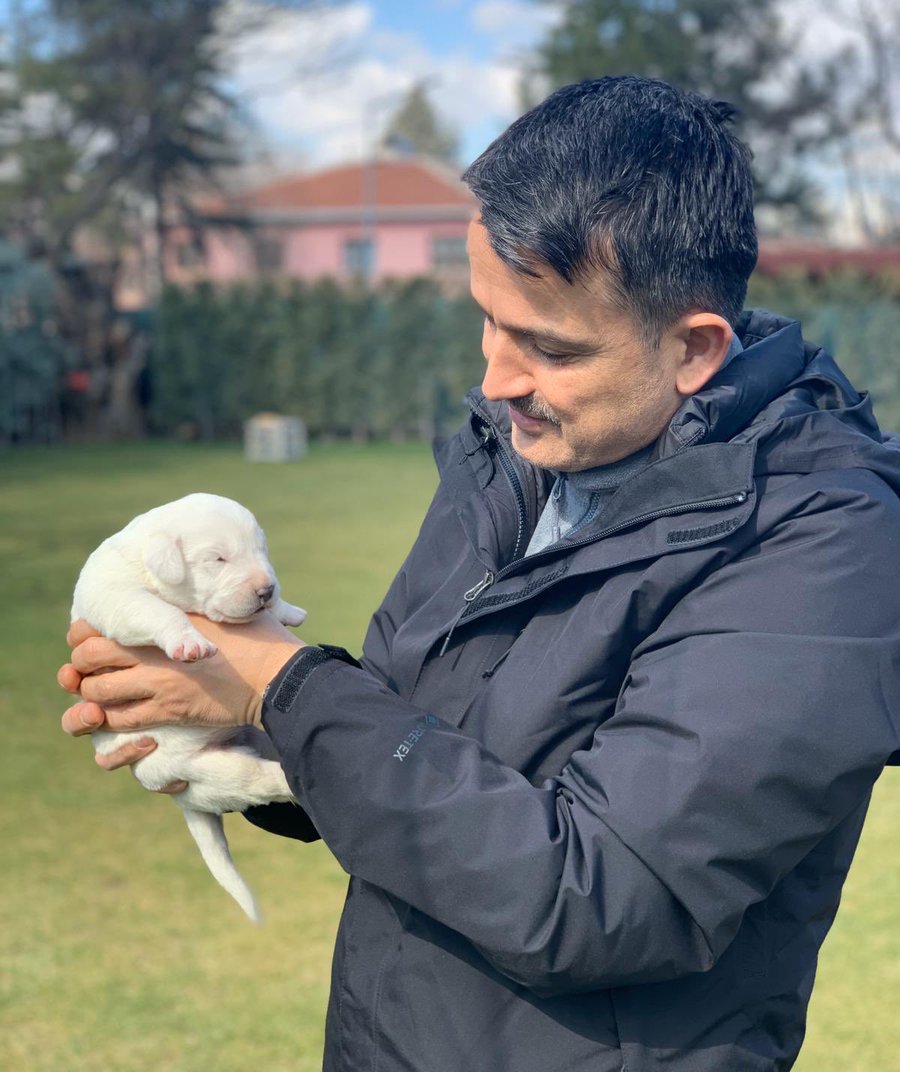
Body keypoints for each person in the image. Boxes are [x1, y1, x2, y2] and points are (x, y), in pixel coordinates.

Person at [60, 76, 900, 1072]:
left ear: (693, 349)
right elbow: (425, 736)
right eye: (487, 320)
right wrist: (231, 720)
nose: (498, 377)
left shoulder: (825, 544)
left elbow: (603, 897)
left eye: (548, 345)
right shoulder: (512, 451)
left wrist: (282, 685)